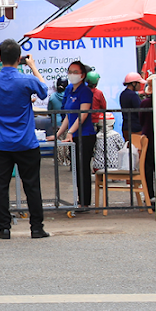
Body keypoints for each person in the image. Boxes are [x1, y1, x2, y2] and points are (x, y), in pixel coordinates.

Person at [0, 40, 50, 239]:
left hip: (1, 144)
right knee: (32, 185)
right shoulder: (26, 81)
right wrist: (33, 67)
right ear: (19, 58)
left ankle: (4, 228)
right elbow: (44, 91)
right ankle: (36, 228)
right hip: (26, 143)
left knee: (2, 186)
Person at [56, 60, 97, 212]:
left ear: (83, 75)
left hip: (85, 135)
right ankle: (80, 200)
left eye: (75, 72)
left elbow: (83, 114)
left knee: (82, 169)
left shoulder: (85, 91)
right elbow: (69, 115)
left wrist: (71, 132)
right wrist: (58, 134)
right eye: (70, 71)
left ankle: (85, 202)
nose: (72, 75)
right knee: (76, 169)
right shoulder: (68, 90)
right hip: (73, 135)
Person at [119, 72, 144, 142]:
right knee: (137, 150)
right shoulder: (133, 95)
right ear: (134, 83)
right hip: (136, 128)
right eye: (139, 83)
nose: (140, 85)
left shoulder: (123, 94)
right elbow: (140, 111)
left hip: (126, 126)